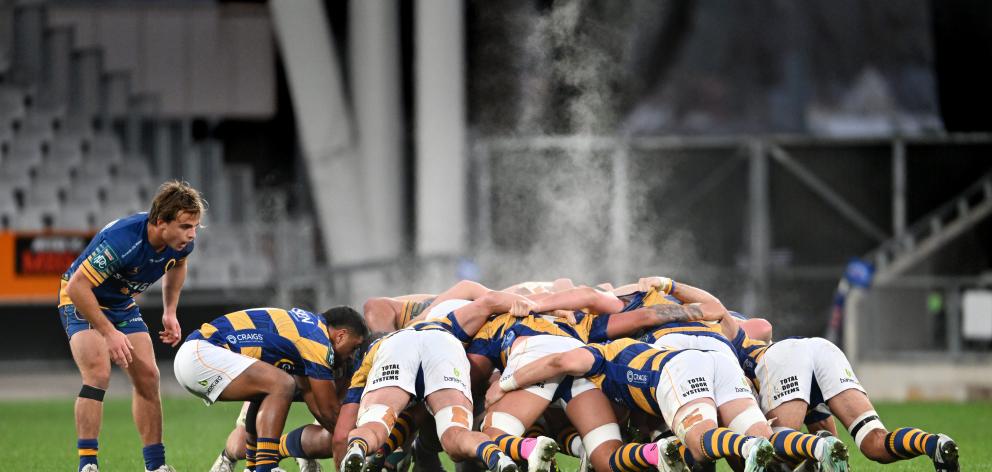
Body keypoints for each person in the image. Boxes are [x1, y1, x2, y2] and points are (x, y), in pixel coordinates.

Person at [59, 180, 205, 472]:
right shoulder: (123, 240)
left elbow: (178, 265)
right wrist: (109, 333)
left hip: (120, 303)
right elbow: (78, 287)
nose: (191, 234)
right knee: (98, 375)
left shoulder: (180, 243)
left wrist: (170, 311)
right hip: (81, 299)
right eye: (185, 226)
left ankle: (156, 466)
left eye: (195, 227)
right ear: (161, 222)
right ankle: (88, 465)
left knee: (149, 377)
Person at [720, 312, 960, 471]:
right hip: (821, 351)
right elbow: (830, 444)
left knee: (771, 450)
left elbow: (761, 326)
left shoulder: (712, 326)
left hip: (786, 360)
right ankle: (935, 445)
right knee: (873, 443)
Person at [174, 306, 367, 472]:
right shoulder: (318, 341)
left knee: (271, 388)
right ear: (341, 335)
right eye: (355, 347)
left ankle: (253, 465)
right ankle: (266, 466)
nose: (352, 356)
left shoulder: (308, 331)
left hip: (196, 357)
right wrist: (365, 443)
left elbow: (317, 406)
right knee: (283, 384)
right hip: (202, 355)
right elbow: (329, 411)